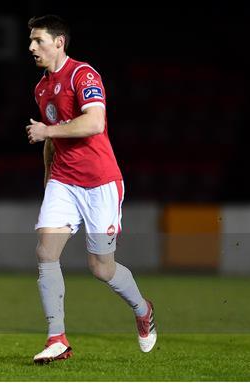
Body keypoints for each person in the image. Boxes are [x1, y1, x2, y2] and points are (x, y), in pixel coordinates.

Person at [25, 15, 157, 363]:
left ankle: (143, 310)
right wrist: (47, 181)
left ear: (59, 42)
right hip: (63, 182)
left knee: (101, 268)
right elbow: (50, 141)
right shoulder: (41, 88)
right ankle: (57, 338)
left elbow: (94, 122)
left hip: (100, 183)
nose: (31, 47)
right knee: (45, 253)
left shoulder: (83, 74)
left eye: (38, 40)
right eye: (31, 41)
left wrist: (48, 132)